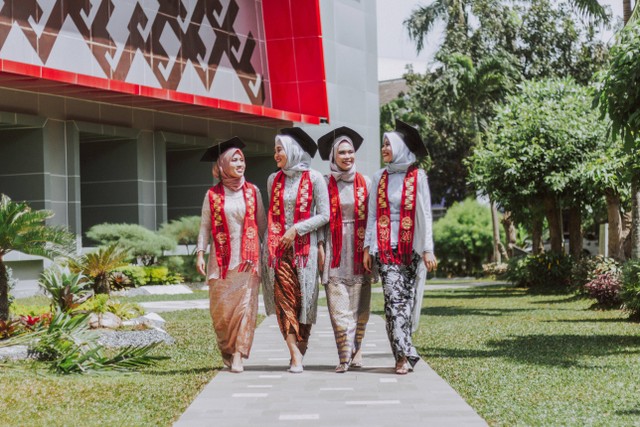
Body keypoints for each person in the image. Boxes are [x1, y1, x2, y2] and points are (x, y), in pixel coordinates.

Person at [363, 120, 438, 375]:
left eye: (388, 144)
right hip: (386, 248)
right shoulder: (378, 177)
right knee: (394, 301)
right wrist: (367, 248)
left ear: (400, 147)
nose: (384, 148)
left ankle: (401, 353)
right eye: (383, 144)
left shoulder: (418, 176)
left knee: (404, 303)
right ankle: (406, 354)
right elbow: (372, 216)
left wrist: (427, 249)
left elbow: (426, 214)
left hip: (411, 249)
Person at [196, 137, 267, 373]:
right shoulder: (212, 195)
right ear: (223, 164)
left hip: (248, 258)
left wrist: (266, 254)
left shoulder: (253, 191)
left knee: (245, 308)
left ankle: (239, 353)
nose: (239, 163)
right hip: (220, 259)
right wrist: (199, 253)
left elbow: (262, 225)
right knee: (222, 312)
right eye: (234, 159)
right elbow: (205, 226)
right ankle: (227, 349)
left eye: (241, 159)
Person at [262, 127, 329, 373]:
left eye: (279, 149)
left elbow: (324, 214)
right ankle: (294, 355)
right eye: (275, 150)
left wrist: (297, 230)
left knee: (305, 303)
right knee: (284, 301)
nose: (276, 154)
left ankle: (300, 348)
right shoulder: (273, 179)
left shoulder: (314, 178)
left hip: (305, 251)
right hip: (278, 251)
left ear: (292, 151)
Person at [317, 126, 373, 373]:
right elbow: (319, 217)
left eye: (350, 152)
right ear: (333, 156)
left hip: (360, 248)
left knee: (360, 304)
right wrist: (319, 247)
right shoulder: (324, 183)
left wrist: (370, 247)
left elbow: (372, 218)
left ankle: (357, 349)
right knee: (337, 303)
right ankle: (343, 355)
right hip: (334, 247)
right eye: (342, 152)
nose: (347, 156)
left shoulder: (367, 182)